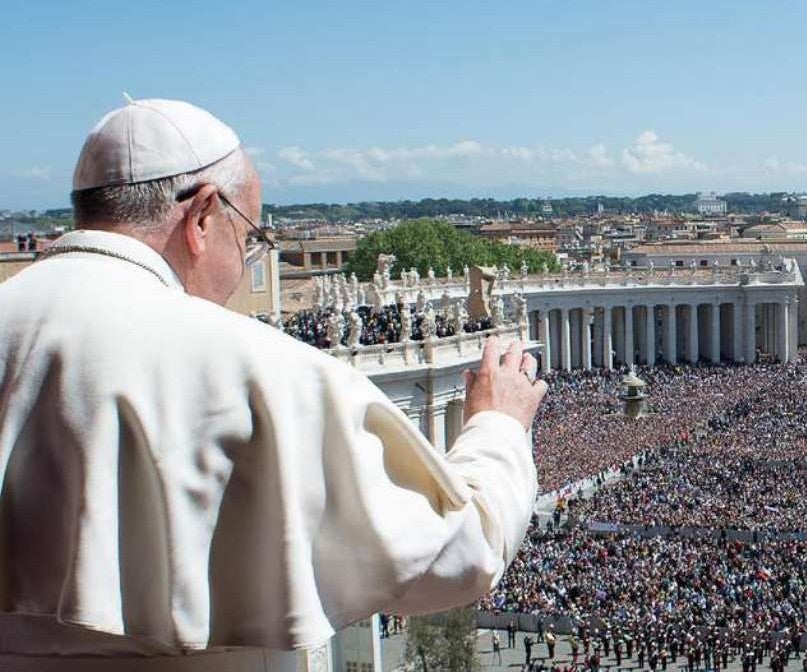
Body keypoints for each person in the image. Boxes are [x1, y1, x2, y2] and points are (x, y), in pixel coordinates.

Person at [0, 98, 548, 670]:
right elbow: (458, 552)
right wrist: (498, 426)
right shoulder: (261, 370)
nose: (245, 264)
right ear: (204, 216)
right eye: (250, 237)